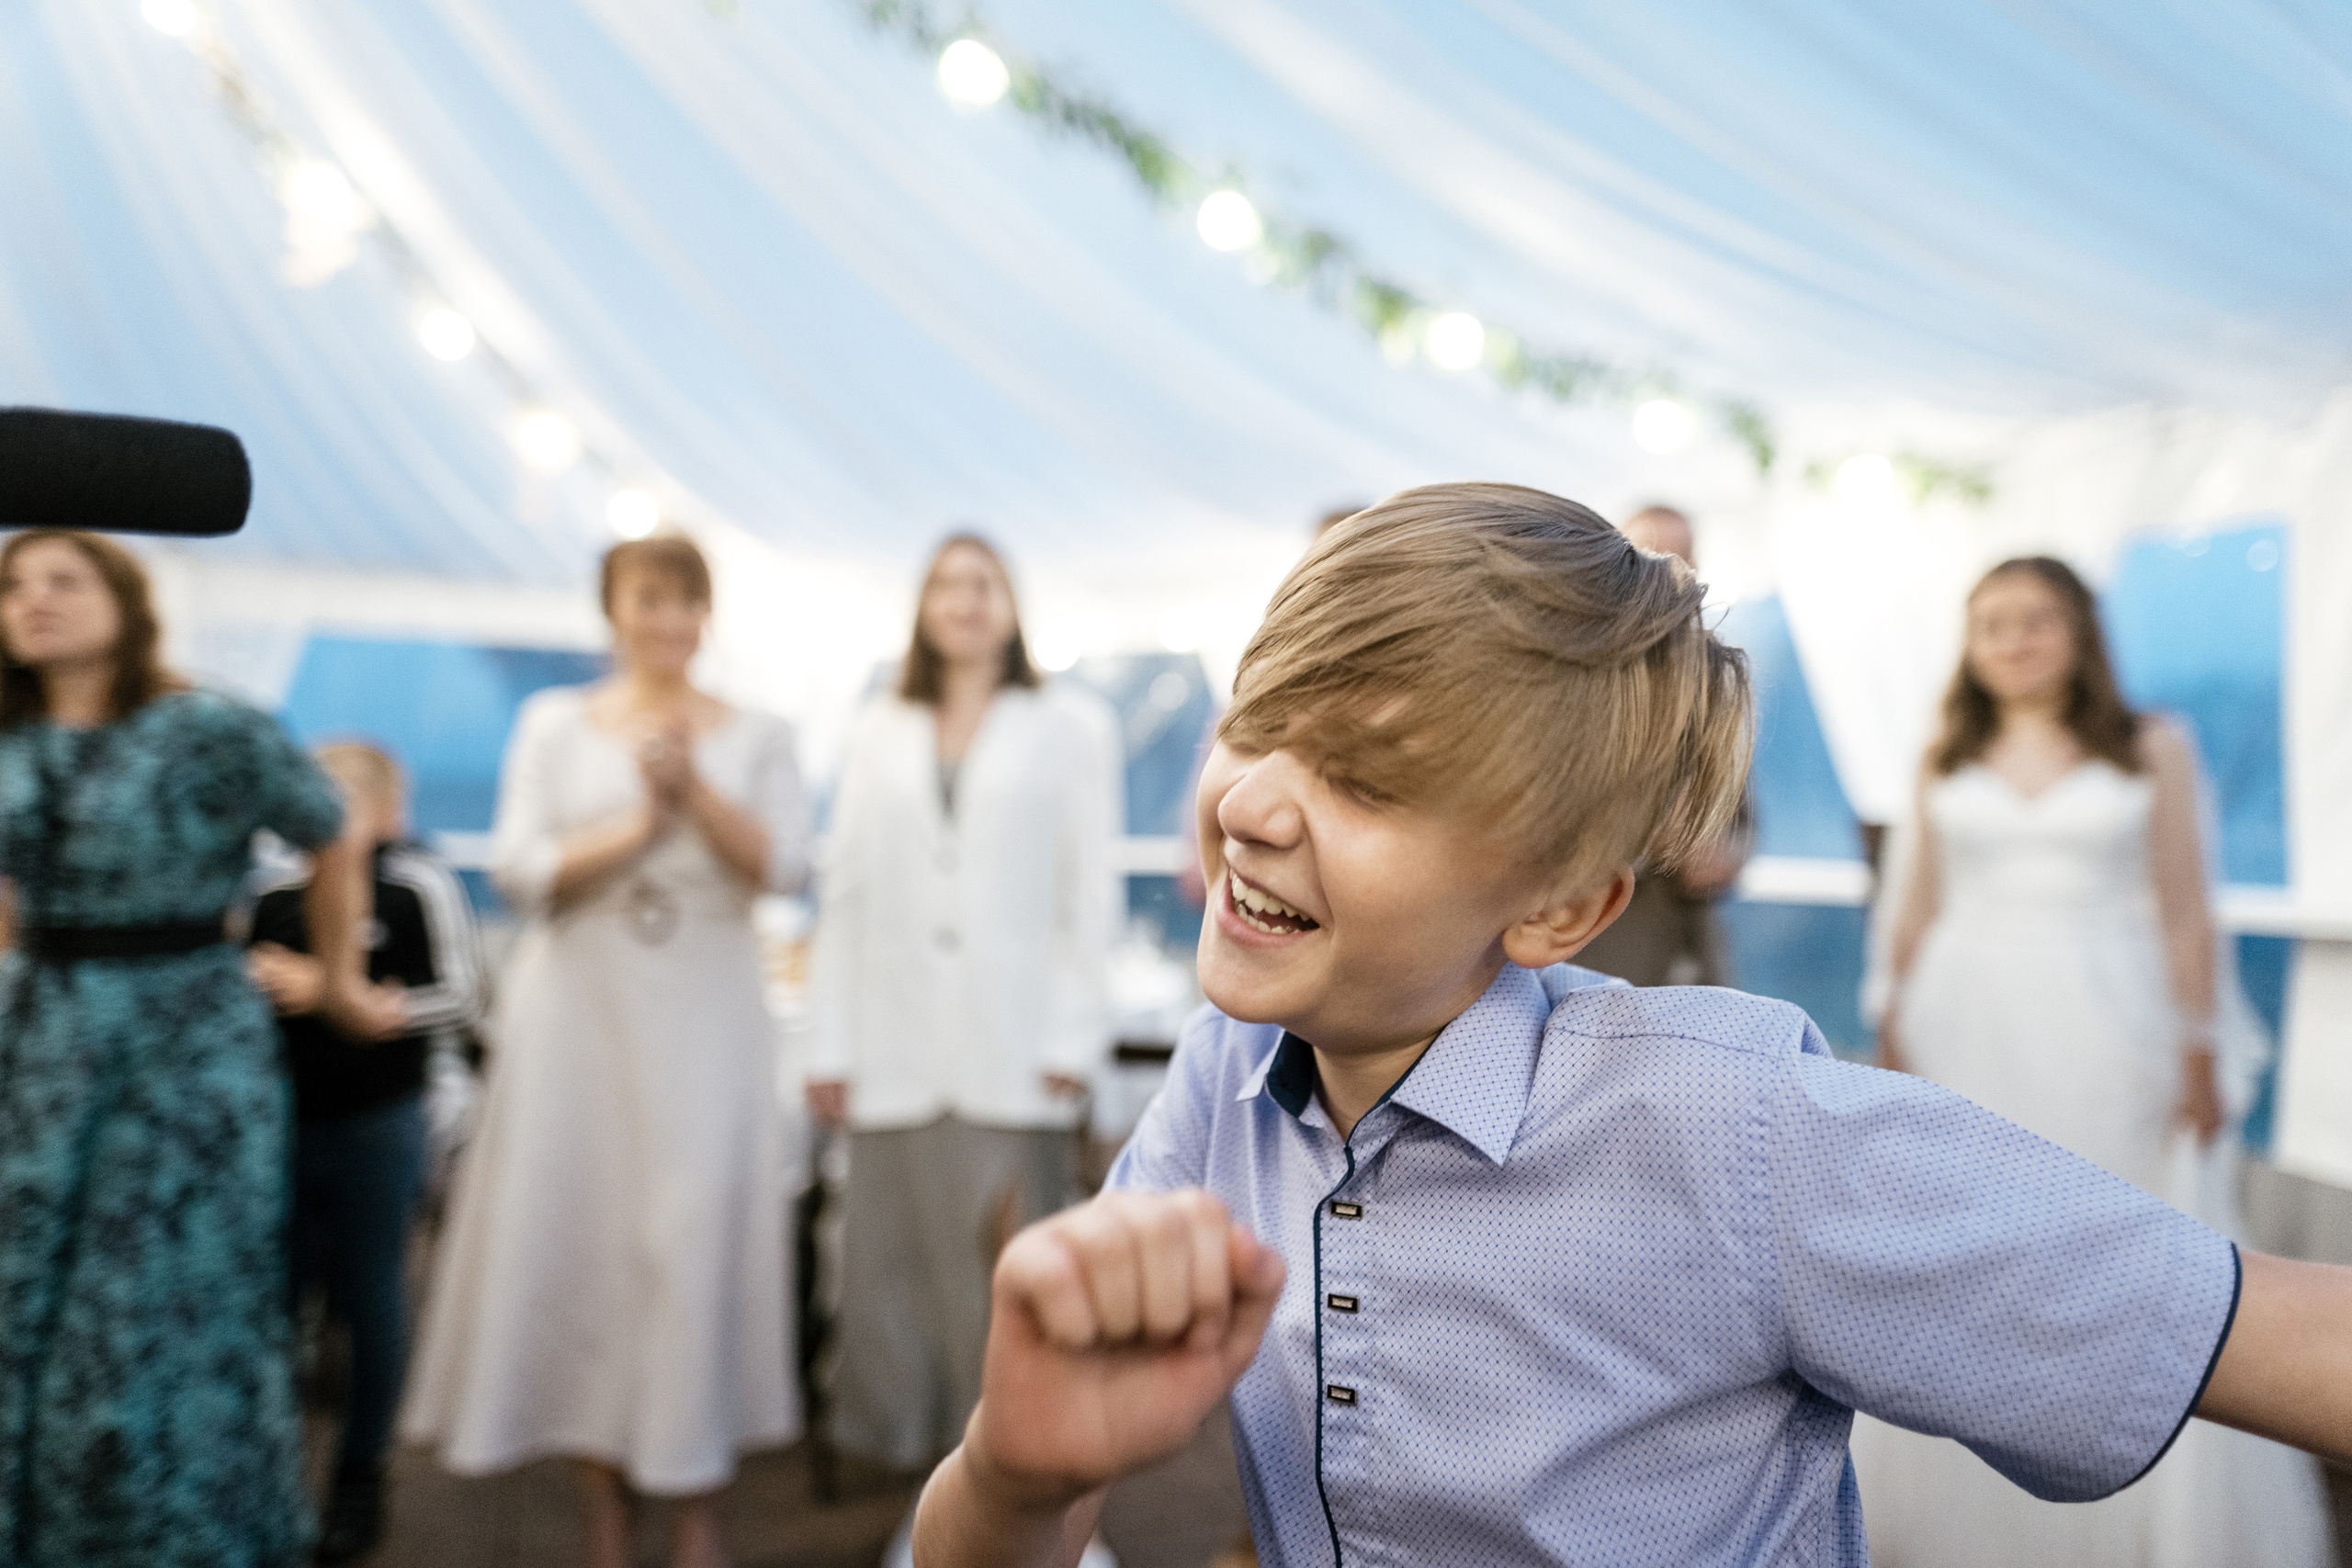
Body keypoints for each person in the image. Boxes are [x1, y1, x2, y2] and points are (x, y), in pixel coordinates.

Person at [905, 483, 2352, 1568]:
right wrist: (1022, 1478)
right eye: (1261, 717)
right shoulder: (1224, 1073)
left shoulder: (1737, 1127)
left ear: (1557, 908)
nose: (1250, 801)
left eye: (1371, 780)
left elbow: (2280, 1332)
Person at [1852, 556, 2331, 1567]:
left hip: (2111, 1024)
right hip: (1964, 1018)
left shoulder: (2150, 744)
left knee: (2112, 1234)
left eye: (2034, 619)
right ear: (1969, 646)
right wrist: (1889, 1024)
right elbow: (1912, 907)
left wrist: (2200, 1045)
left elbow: (2186, 904)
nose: (2013, 640)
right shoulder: (1944, 751)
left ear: (2078, 632)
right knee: (1965, 1241)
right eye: (1990, 624)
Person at [402, 532, 810, 1568]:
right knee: (583, 1241)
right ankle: (602, 1513)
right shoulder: (553, 722)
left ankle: (698, 1508)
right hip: (579, 1010)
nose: (665, 620)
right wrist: (640, 821)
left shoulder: (759, 731)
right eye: (646, 598)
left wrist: (696, 795)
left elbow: (785, 867)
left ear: (705, 615)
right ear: (613, 609)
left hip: (708, 1009)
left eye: (684, 601)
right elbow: (523, 869)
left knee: (695, 1239)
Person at [0, 530, 384, 1568]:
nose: (34, 600)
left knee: (159, 1298)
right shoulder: (10, 738)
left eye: (64, 581)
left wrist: (341, 981)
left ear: (125, 600)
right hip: (41, 1036)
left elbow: (332, 829)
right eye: (13, 585)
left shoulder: (209, 727)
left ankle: (180, 1536)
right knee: (27, 1289)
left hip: (182, 1043)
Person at [807, 533, 1121, 1472]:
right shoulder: (877, 726)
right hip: (894, 1046)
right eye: (945, 583)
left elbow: (1087, 892)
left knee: (1012, 1274)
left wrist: (1075, 1031)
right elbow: (846, 893)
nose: (964, 600)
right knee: (893, 1277)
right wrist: (828, 1044)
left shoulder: (1069, 725)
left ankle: (1021, 1479)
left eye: (983, 582)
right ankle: (927, 1490)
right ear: (921, 606)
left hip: (1015, 1044)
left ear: (1013, 605)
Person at [245, 741, 486, 1565]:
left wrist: (343, 996)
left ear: (391, 810)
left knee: (372, 1293)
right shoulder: (271, 896)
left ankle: (361, 1472)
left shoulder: (417, 888)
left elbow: (460, 994)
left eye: (351, 797)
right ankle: (268, 1476)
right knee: (273, 1302)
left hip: (380, 1122)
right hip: (281, 1126)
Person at [1573, 503, 1750, 986]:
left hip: (1691, 951)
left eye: (1681, 561)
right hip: (1598, 956)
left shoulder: (1714, 678)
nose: (1667, 574)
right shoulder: (1578, 676)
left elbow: (1743, 812)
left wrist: (1728, 852)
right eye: (1649, 557)